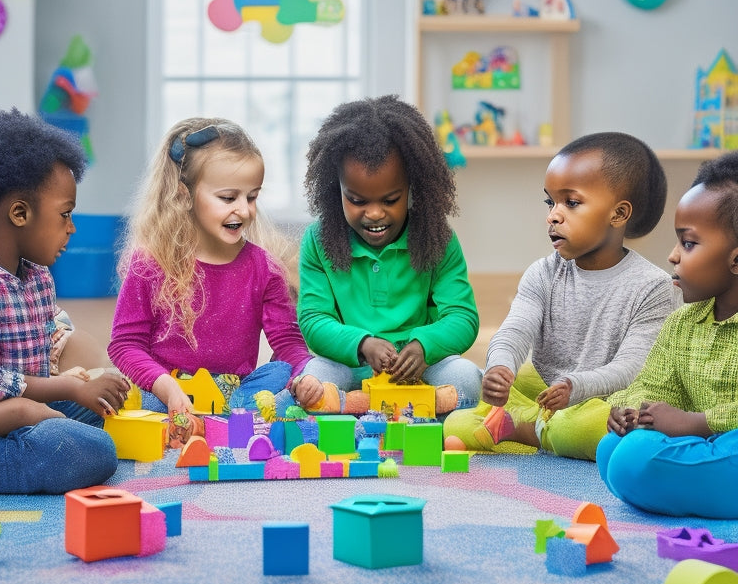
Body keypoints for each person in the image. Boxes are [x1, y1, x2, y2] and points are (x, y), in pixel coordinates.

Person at [443, 132, 681, 460]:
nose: (553, 215)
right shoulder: (542, 273)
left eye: (571, 202)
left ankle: (521, 430)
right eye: (550, 202)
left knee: (591, 427)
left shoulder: (654, 287)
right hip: (550, 390)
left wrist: (575, 386)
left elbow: (631, 369)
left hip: (606, 401)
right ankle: (540, 429)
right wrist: (499, 367)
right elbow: (515, 330)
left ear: (619, 214)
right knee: (457, 421)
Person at [108, 117, 325, 446]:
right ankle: (221, 427)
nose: (244, 210)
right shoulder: (151, 262)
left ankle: (212, 426)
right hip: (168, 392)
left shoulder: (264, 267)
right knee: (133, 400)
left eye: (251, 197)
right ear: (185, 195)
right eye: (228, 198)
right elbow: (125, 345)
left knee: (281, 376)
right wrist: (166, 386)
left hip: (237, 392)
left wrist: (305, 377)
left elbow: (288, 346)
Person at [0, 108, 127, 494]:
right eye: (65, 215)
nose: (72, 228)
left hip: (32, 416)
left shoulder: (38, 278)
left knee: (117, 411)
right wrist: (66, 391)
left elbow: (45, 353)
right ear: (19, 213)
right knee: (91, 453)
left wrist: (84, 385)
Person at [297, 95, 481, 416]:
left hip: (419, 372)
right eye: (356, 200)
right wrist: (361, 343)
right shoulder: (318, 239)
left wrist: (425, 345)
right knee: (312, 379)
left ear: (413, 186)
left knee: (466, 378)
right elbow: (313, 320)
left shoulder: (436, 237)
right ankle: (409, 410)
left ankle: (358, 408)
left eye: (390, 199)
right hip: (350, 369)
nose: (374, 213)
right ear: (335, 189)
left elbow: (463, 317)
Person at [598, 152, 738, 518]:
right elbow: (656, 384)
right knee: (611, 448)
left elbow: (691, 420)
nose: (673, 256)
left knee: (632, 461)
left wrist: (696, 423)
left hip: (727, 441)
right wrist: (631, 411)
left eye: (688, 244)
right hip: (709, 444)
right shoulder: (683, 323)